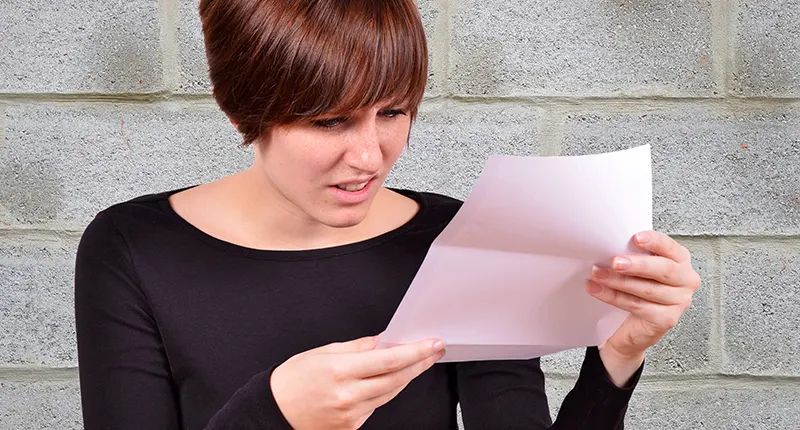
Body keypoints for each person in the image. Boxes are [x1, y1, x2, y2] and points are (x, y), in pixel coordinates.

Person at [74, 1, 701, 429]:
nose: (371, 156)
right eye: (330, 121)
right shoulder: (130, 248)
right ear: (244, 106)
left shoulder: (454, 237)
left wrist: (618, 354)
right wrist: (276, 412)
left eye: (393, 112)